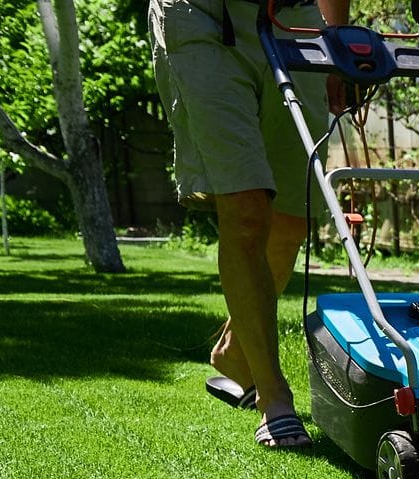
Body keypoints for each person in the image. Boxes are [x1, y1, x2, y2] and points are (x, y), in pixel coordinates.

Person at [149, 0, 351, 447]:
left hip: (294, 18)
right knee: (245, 209)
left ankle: (236, 353)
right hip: (203, 17)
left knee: (292, 219)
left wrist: (335, 39)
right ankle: (274, 398)